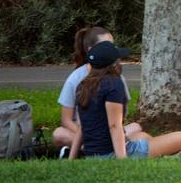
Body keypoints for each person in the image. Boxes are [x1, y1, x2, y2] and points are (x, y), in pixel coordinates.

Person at [68, 40, 181, 159]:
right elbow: (114, 125)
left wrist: (71, 159)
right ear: (114, 64)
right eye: (119, 60)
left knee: (143, 136)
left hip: (92, 155)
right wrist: (123, 160)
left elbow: (82, 127)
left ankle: (166, 158)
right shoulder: (114, 84)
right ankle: (165, 156)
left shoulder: (83, 85)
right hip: (112, 154)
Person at [53, 26, 142, 156]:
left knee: (137, 128)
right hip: (86, 131)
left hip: (107, 131)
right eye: (106, 45)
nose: (112, 49)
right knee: (58, 134)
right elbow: (66, 120)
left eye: (112, 45)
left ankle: (79, 152)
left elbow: (117, 120)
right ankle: (83, 149)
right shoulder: (75, 79)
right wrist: (90, 134)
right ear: (91, 50)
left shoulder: (117, 79)